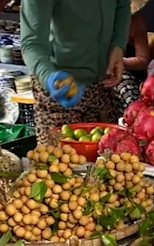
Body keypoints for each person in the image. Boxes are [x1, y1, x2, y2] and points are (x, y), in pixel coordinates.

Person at [20, 0, 131, 144]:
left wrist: (118, 45)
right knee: (59, 161)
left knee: (108, 160)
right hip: (60, 91)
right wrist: (50, 78)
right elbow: (32, 44)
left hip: (102, 88)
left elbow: (122, 5)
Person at [114, 0, 152, 111]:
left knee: (128, 93)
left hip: (129, 74)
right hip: (102, 73)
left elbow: (143, 60)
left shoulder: (136, 22)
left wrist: (121, 62)